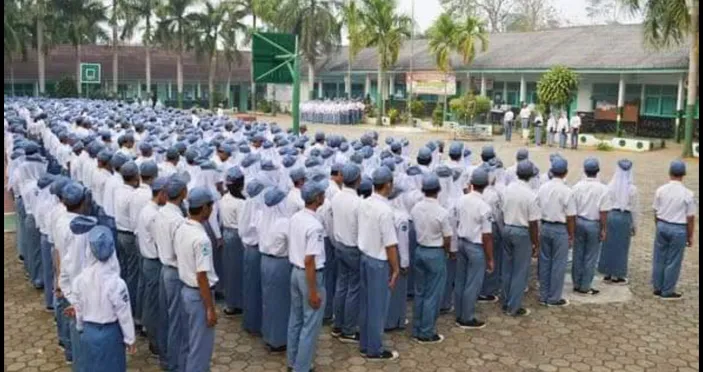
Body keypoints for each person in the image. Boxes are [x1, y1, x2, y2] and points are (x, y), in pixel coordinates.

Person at [71, 226, 137, 372]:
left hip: (89, 332)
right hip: (110, 334)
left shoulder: (80, 280)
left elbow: (78, 307)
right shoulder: (117, 283)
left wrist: (80, 326)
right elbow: (124, 314)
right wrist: (130, 339)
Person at [174, 187, 219, 372]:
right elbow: (202, 276)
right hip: (198, 295)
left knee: (188, 342)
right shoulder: (202, 239)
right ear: (204, 208)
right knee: (200, 348)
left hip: (185, 290)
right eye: (210, 206)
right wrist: (210, 308)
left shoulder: (182, 227)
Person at [358, 166, 400, 360]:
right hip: (378, 261)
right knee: (378, 307)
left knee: (366, 304)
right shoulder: (385, 210)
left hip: (365, 257)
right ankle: (374, 349)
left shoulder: (365, 203)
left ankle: (365, 343)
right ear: (388, 185)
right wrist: (396, 268)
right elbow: (390, 244)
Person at [287, 181, 328, 372]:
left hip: (295, 272)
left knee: (296, 319)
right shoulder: (315, 226)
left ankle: (293, 361)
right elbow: (310, 260)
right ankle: (302, 367)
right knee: (310, 323)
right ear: (318, 198)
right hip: (309, 276)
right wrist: (313, 291)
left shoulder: (296, 217)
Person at [410, 173, 452, 342]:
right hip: (435, 252)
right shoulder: (442, 212)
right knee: (432, 295)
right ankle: (426, 332)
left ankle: (416, 328)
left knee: (420, 292)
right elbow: (447, 237)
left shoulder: (415, 208)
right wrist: (446, 251)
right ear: (438, 190)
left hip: (420, 251)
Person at [153, 175, 188, 372]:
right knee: (177, 320)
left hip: (164, 267)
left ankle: (166, 358)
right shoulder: (177, 220)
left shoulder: (161, 213)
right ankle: (175, 364)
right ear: (183, 193)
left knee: (165, 316)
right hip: (175, 271)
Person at [651, 160, 697, 300]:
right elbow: (690, 218)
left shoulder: (661, 190)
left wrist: (658, 225)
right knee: (673, 261)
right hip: (678, 228)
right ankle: (668, 290)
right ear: (683, 175)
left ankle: (657, 287)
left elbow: (656, 211)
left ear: (670, 173)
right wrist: (690, 236)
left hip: (662, 225)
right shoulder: (688, 194)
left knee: (659, 258)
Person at [134, 176, 168, 366]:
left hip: (147, 260)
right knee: (155, 303)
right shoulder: (154, 215)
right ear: (161, 194)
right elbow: (160, 240)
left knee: (149, 299)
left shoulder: (147, 209)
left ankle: (150, 332)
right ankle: (156, 343)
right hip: (154, 262)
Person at [455, 168, 494, 329]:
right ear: (486, 185)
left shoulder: (461, 199)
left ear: (471, 183)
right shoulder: (484, 207)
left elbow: (456, 221)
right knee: (473, 283)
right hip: (475, 247)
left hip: (462, 242)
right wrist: (490, 258)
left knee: (461, 280)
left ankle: (459, 311)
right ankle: (467, 317)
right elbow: (487, 236)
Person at [501, 160, 540, 316]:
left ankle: (506, 302)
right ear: (531, 175)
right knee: (520, 271)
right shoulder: (530, 195)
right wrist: (535, 242)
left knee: (507, 268)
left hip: (507, 228)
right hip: (522, 232)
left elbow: (502, 211)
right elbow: (533, 223)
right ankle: (514, 306)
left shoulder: (507, 189)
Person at [330, 163, 363, 342]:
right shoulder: (358, 203)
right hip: (352, 248)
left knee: (341, 286)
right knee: (353, 289)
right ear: (358, 179)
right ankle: (349, 329)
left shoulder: (336, 197)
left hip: (339, 246)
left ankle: (338, 325)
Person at [537, 157, 576, 307]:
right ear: (565, 173)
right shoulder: (567, 191)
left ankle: (543, 295)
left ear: (551, 171)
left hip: (545, 227)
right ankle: (554, 298)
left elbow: (537, 206)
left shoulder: (543, 188)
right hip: (560, 229)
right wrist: (571, 235)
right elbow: (571, 216)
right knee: (559, 264)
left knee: (545, 262)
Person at [259, 187, 292, 352]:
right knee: (281, 302)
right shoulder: (284, 222)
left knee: (268, 301)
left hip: (265, 262)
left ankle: (269, 335)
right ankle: (279, 339)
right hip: (280, 264)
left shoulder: (263, 218)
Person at [571, 158, 611, 295]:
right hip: (594, 223)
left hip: (579, 222)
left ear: (584, 170)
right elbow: (603, 212)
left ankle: (576, 283)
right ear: (597, 171)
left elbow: (572, 209)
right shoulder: (603, 189)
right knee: (591, 256)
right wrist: (604, 228)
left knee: (578, 254)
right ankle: (585, 286)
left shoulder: (576, 187)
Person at [598, 159, 639, 284]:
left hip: (611, 216)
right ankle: (618, 275)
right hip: (624, 218)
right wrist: (635, 225)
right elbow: (635, 209)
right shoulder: (632, 189)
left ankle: (607, 273)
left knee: (608, 245)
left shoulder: (610, 186)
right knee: (622, 247)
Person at [113, 161, 141, 325]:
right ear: (136, 176)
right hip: (130, 235)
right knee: (134, 275)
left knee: (125, 270)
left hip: (120, 232)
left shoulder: (119, 190)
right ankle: (133, 311)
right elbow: (135, 221)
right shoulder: (133, 195)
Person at [239, 179, 266, 335]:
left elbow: (242, 232)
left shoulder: (247, 205)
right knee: (256, 289)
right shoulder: (256, 208)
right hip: (255, 250)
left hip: (249, 250)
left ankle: (250, 321)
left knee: (250, 287)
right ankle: (255, 323)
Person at [219, 167, 246, 315]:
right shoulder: (240, 203)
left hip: (227, 233)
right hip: (237, 237)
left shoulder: (224, 199)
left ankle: (230, 302)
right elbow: (242, 226)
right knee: (239, 271)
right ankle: (239, 302)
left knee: (229, 270)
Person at [385, 184, 410, 332]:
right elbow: (403, 242)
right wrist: (404, 263)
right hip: (397, 255)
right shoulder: (401, 217)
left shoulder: (383, 210)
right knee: (397, 290)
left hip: (384, 254)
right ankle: (394, 320)